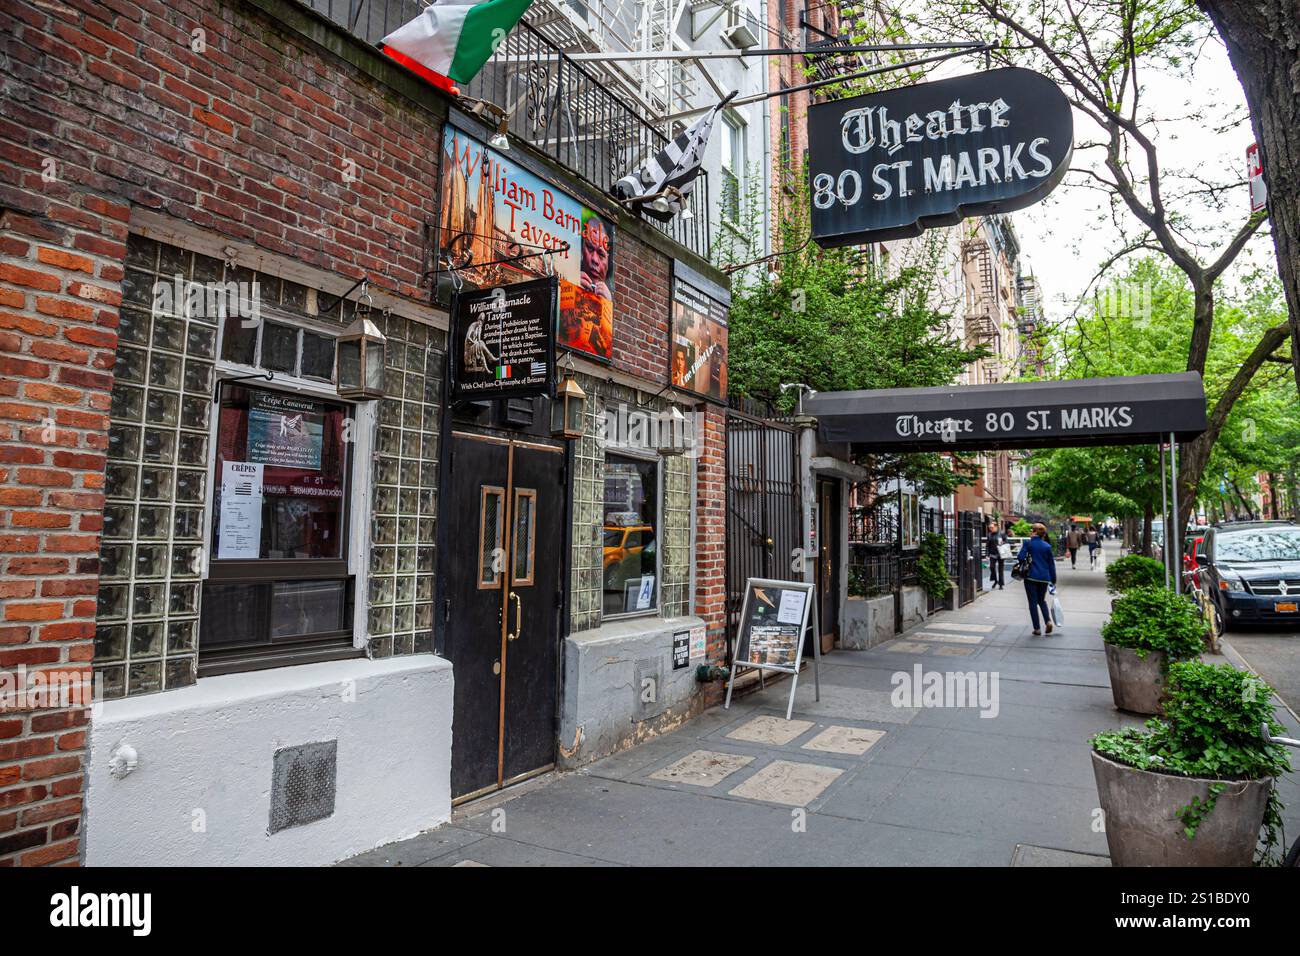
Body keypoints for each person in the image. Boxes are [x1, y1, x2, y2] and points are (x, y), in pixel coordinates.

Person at [1017, 523, 1058, 636]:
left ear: (1034, 531)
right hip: (1044, 578)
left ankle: (1037, 628)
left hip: (1031, 576)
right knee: (1042, 600)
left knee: (1032, 602)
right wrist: (1053, 579)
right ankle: (1048, 621)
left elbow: (1020, 557)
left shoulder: (1028, 543)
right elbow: (1051, 565)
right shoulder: (1047, 546)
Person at [986, 520, 1006, 589]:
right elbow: (987, 545)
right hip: (993, 553)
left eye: (992, 527)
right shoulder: (989, 535)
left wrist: (1003, 542)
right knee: (992, 567)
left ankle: (1000, 584)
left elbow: (1007, 541)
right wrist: (987, 554)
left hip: (1001, 553)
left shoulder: (1002, 533)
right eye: (990, 528)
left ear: (996, 527)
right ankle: (995, 580)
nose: (991, 529)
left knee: (1001, 569)